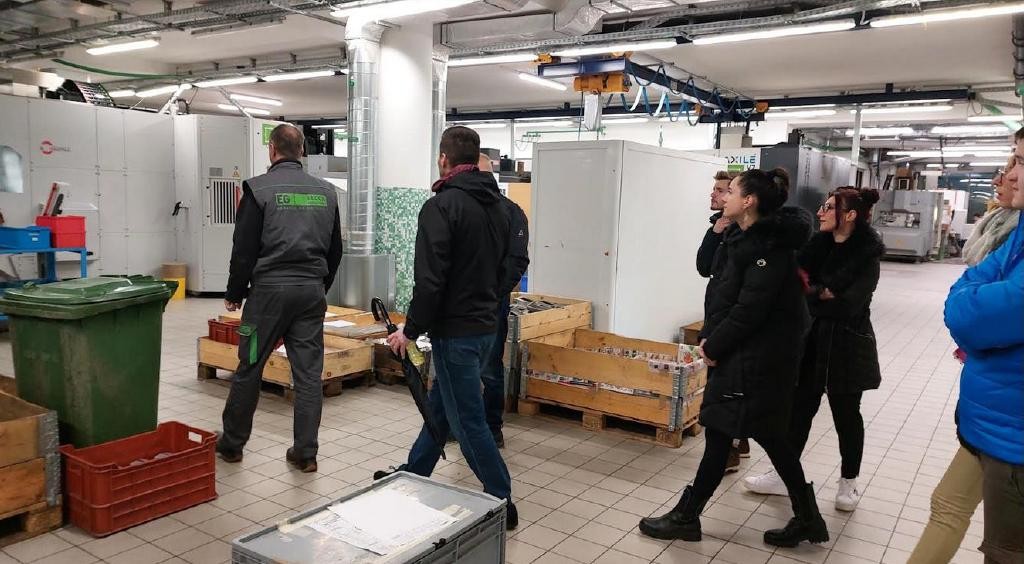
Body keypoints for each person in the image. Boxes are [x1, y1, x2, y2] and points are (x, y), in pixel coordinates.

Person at [639, 168, 828, 548]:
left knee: (734, 434)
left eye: (731, 192)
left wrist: (713, 346)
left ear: (749, 201)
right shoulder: (742, 238)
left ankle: (688, 516)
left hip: (755, 361)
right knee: (749, 435)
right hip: (747, 357)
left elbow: (749, 311)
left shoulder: (768, 251)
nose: (723, 197)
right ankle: (807, 518)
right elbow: (720, 286)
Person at [377, 127, 518, 530]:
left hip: (456, 333)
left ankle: (502, 498)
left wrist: (410, 329)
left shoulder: (441, 207)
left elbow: (430, 280)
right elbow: (508, 266)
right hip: (485, 326)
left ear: (443, 158)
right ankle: (414, 472)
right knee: (441, 405)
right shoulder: (500, 208)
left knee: (467, 422)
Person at [907, 152, 1022, 564]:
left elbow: (970, 315)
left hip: (1013, 433)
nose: (1006, 177)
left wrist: (976, 308)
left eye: (1019, 163)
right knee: (948, 503)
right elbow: (969, 286)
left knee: (1004, 552)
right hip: (991, 415)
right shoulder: (1013, 232)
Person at [743, 188, 884, 514]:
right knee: (798, 413)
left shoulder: (866, 255)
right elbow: (798, 290)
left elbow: (849, 305)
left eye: (830, 207)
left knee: (846, 417)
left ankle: (849, 481)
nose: (821, 212)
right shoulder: (814, 248)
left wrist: (816, 295)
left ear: (850, 215)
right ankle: (782, 475)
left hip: (848, 347)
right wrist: (822, 293)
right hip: (810, 344)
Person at [217, 124, 344, 473]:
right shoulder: (327, 192)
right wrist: (318, 286)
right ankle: (305, 453)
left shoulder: (258, 189)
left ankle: (232, 445)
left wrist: (234, 293)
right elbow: (335, 250)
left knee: (250, 365)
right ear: (302, 151)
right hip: (310, 295)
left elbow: (244, 249)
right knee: (308, 375)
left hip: (267, 299)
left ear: (272, 150)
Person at [695, 170, 749, 473]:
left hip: (731, 318)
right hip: (716, 312)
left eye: (721, 190)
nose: (714, 194)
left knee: (726, 383)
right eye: (715, 189)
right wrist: (715, 232)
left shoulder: (746, 235)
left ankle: (728, 449)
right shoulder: (718, 227)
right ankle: (739, 441)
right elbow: (704, 267)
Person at [477, 153, 529, 448]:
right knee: (458, 368)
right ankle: (455, 425)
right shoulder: (462, 208)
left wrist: (494, 292)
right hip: (464, 305)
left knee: (489, 367)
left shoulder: (510, 212)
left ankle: (492, 427)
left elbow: (518, 260)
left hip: (492, 304)